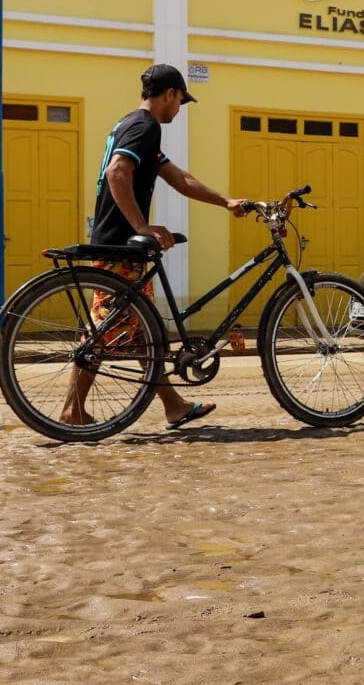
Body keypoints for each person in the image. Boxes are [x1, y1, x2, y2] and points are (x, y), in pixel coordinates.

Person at [61, 64, 256, 430]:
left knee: (141, 335)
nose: (179, 109)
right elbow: (117, 172)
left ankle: (173, 405)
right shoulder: (144, 126)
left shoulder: (135, 126)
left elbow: (180, 178)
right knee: (104, 333)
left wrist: (226, 202)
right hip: (119, 245)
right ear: (169, 94)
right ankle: (72, 410)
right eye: (181, 101)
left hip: (124, 246)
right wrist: (142, 226)